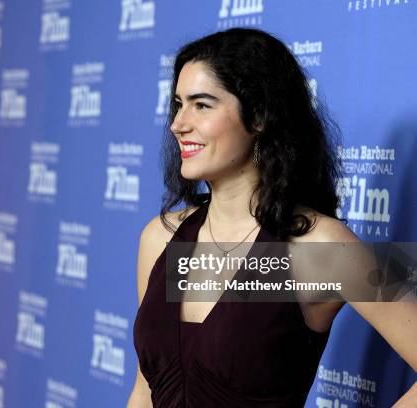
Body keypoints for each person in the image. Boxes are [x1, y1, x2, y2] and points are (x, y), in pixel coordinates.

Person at [126, 28, 417, 407]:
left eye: (201, 105)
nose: (178, 124)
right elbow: (145, 390)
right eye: (178, 104)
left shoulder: (317, 247)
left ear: (259, 114)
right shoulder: (161, 238)